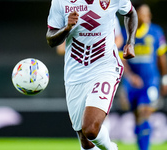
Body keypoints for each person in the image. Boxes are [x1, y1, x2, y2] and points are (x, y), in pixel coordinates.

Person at [46, 0, 138, 150]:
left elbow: (130, 13)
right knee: (86, 141)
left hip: (105, 67)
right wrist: (67, 28)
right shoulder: (61, 2)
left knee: (90, 129)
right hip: (75, 75)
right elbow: (51, 39)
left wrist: (130, 42)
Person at [119, 3, 167, 150]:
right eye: (144, 13)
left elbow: (161, 57)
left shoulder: (155, 31)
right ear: (135, 14)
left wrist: (165, 78)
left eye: (149, 14)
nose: (148, 17)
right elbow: (120, 59)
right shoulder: (125, 33)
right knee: (137, 117)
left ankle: (144, 148)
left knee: (144, 112)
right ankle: (141, 144)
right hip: (132, 83)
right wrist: (130, 77)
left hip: (150, 81)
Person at [56, 16, 124, 56]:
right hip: (77, 71)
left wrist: (101, 50)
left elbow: (119, 40)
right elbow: (60, 49)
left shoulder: (109, 15)